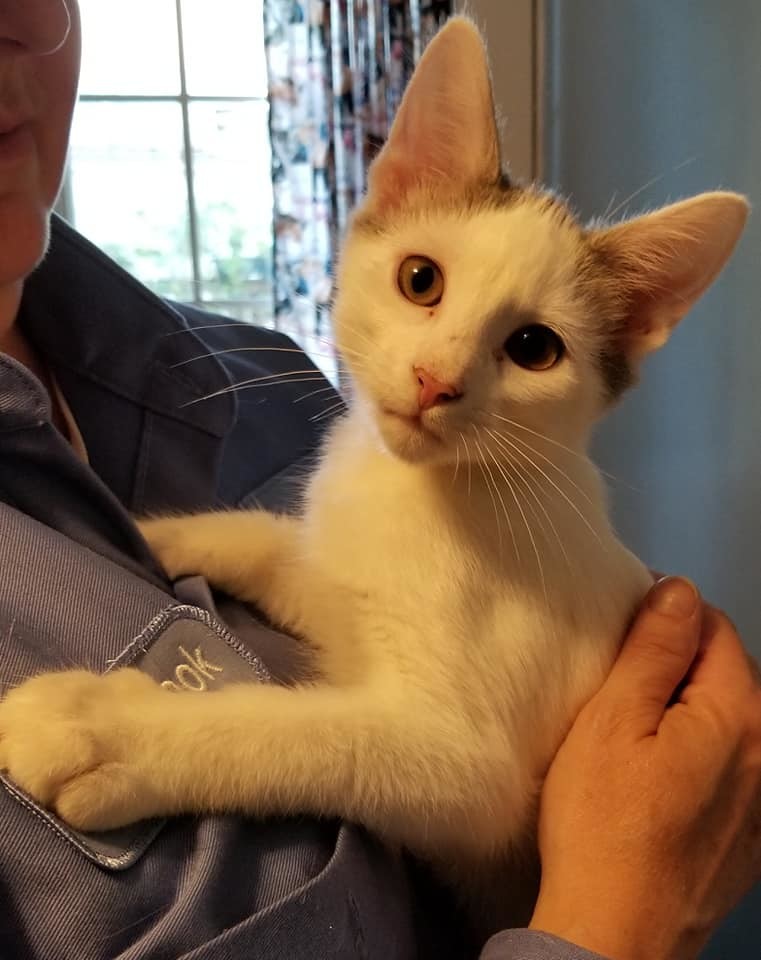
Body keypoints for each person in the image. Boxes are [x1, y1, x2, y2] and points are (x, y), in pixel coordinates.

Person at [1, 3, 760, 957]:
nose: (440, 374)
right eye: (421, 283)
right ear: (393, 187)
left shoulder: (529, 529)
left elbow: (461, 776)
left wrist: (156, 745)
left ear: (627, 344)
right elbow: (346, 595)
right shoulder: (352, 452)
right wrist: (170, 550)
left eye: (529, 347)